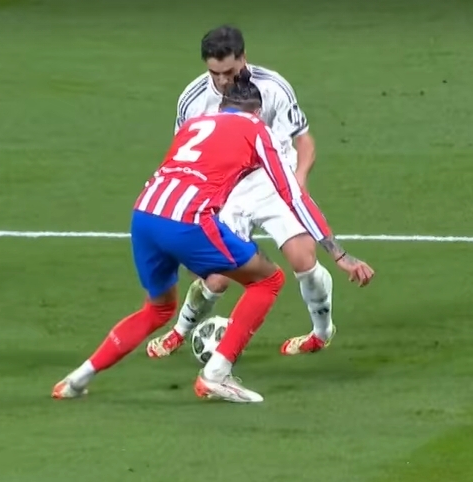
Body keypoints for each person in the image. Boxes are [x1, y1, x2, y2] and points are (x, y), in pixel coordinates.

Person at [52, 72, 373, 403]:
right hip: (188, 222)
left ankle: (76, 380)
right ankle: (216, 375)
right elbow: (292, 195)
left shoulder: (194, 124)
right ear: (257, 112)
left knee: (157, 309)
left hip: (145, 215)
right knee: (267, 280)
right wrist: (339, 254)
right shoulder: (256, 128)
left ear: (222, 106)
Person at [147, 25, 360, 359]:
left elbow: (304, 140)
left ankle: (321, 333)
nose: (222, 81)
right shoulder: (192, 99)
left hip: (275, 181)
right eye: (214, 73)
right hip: (227, 190)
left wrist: (299, 180)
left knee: (303, 260)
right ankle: (180, 331)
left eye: (229, 71)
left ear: (243, 58)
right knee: (216, 277)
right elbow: (184, 155)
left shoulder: (273, 88)